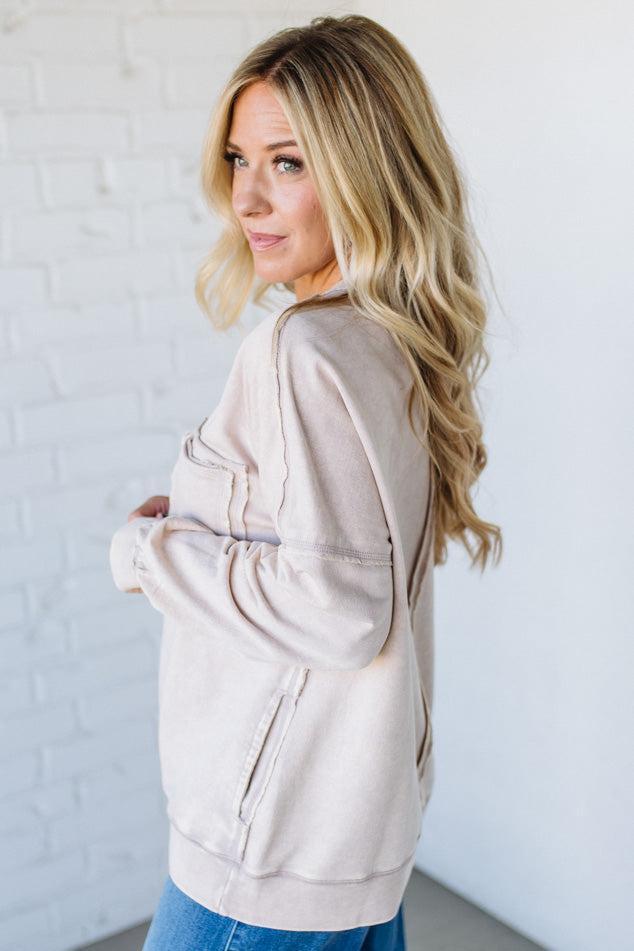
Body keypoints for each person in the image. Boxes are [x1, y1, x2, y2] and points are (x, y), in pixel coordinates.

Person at [109, 13, 502, 950]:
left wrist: (151, 554)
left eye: (287, 162)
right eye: (241, 159)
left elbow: (338, 607)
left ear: (366, 169)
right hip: (353, 843)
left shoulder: (301, 348)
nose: (248, 197)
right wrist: (210, 523)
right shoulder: (392, 338)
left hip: (263, 864)